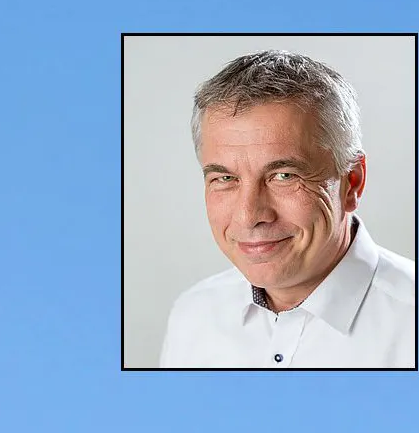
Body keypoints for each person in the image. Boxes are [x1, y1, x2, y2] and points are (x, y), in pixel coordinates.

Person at [159, 50, 416, 368]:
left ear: (352, 182)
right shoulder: (193, 315)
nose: (249, 216)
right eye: (225, 178)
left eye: (284, 176)